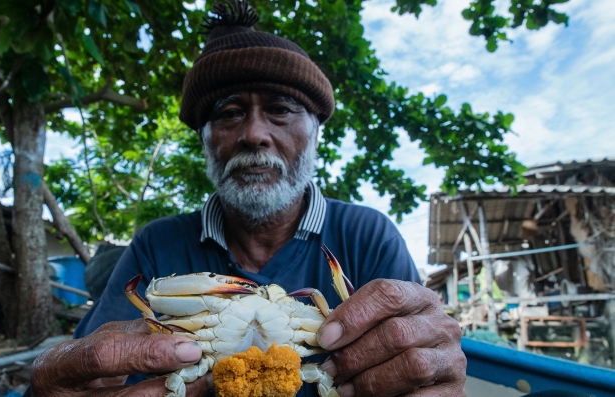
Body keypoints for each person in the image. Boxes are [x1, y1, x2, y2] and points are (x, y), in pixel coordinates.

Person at [30, 1, 466, 396]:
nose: (254, 134)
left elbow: (419, 354)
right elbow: (89, 367)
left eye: (279, 109)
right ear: (204, 141)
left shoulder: (366, 236)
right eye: (229, 113)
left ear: (316, 133)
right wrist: (54, 381)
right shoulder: (158, 245)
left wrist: (430, 367)